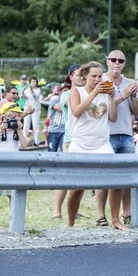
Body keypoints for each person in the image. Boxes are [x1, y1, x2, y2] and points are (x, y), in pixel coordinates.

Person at [66, 61, 123, 229]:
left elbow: (113, 118)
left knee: (114, 182)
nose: (97, 80)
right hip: (80, 143)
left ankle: (115, 220)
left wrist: (111, 97)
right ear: (84, 76)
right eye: (94, 76)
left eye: (100, 76)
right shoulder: (76, 91)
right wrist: (94, 93)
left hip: (102, 144)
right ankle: (70, 222)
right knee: (77, 188)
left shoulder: (105, 93)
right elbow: (77, 111)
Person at [96, 50, 138, 228]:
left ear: (124, 63)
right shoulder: (101, 80)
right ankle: (101, 214)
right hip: (106, 134)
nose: (116, 62)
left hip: (126, 134)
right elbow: (102, 107)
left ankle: (127, 212)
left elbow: (137, 111)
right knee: (104, 178)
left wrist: (133, 95)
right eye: (113, 59)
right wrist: (122, 95)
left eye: (120, 60)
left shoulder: (130, 83)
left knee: (127, 177)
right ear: (107, 61)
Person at [0, 102, 28, 225]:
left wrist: (19, 130)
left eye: (17, 118)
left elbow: (24, 145)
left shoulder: (17, 130)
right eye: (13, 118)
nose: (15, 120)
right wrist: (1, 129)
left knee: (12, 194)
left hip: (13, 165)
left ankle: (13, 216)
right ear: (4, 117)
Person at [53, 64, 80, 220]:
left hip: (84, 139)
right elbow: (70, 103)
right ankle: (56, 210)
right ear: (71, 76)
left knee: (78, 178)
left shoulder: (85, 92)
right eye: (78, 75)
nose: (81, 77)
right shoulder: (66, 94)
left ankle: (73, 209)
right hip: (70, 140)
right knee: (64, 177)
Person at [47, 83, 69, 152]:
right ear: (59, 92)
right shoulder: (54, 100)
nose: (66, 93)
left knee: (64, 152)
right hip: (54, 131)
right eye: (64, 91)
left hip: (64, 131)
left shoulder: (69, 101)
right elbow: (60, 108)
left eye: (68, 91)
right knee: (51, 153)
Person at [23, 77, 42, 146]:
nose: (33, 83)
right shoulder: (26, 90)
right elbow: (22, 96)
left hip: (35, 109)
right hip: (27, 108)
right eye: (32, 82)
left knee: (35, 125)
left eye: (35, 82)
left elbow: (35, 97)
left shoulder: (38, 90)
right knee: (26, 125)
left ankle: (37, 142)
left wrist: (31, 90)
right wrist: (23, 91)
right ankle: (24, 142)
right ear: (30, 83)